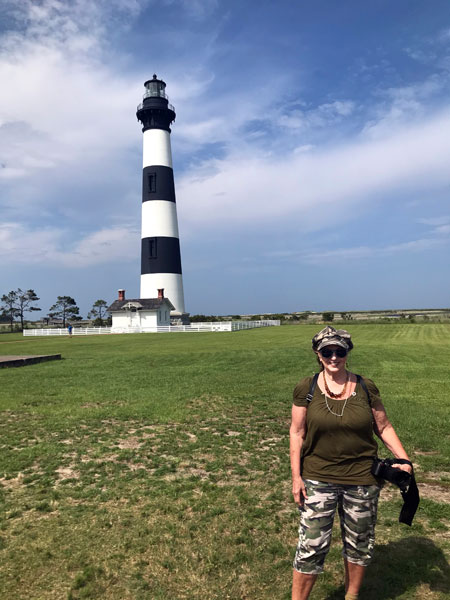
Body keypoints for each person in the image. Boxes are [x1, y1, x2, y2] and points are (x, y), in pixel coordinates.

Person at [290, 326, 412, 600]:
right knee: (311, 546)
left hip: (361, 479)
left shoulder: (365, 387)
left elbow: (384, 426)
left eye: (340, 351)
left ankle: (351, 596)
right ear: (317, 354)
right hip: (317, 478)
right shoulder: (306, 388)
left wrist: (404, 459)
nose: (334, 357)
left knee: (359, 544)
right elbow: (297, 433)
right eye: (327, 351)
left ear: (348, 352)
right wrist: (296, 478)